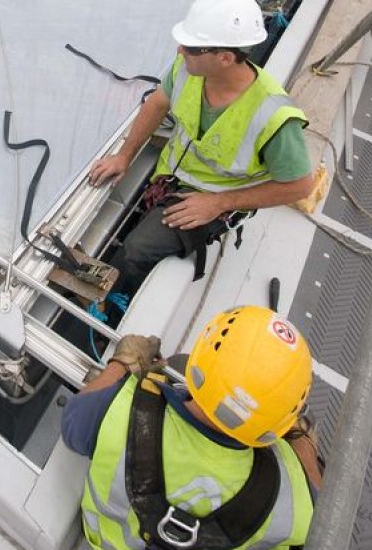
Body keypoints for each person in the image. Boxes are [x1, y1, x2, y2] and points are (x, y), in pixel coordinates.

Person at [89, 0, 314, 297]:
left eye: (192, 48)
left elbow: (300, 186)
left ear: (224, 58)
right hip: (169, 178)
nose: (180, 51)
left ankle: (115, 299)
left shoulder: (275, 118)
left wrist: (218, 204)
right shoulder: (187, 69)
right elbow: (157, 102)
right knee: (139, 234)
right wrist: (124, 156)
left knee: (137, 249)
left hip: (214, 201)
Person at [62, 306, 323, 549]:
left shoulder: (120, 412)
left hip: (106, 543)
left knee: (174, 362)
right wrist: (299, 435)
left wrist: (123, 362)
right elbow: (319, 507)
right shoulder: (289, 490)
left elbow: (73, 423)